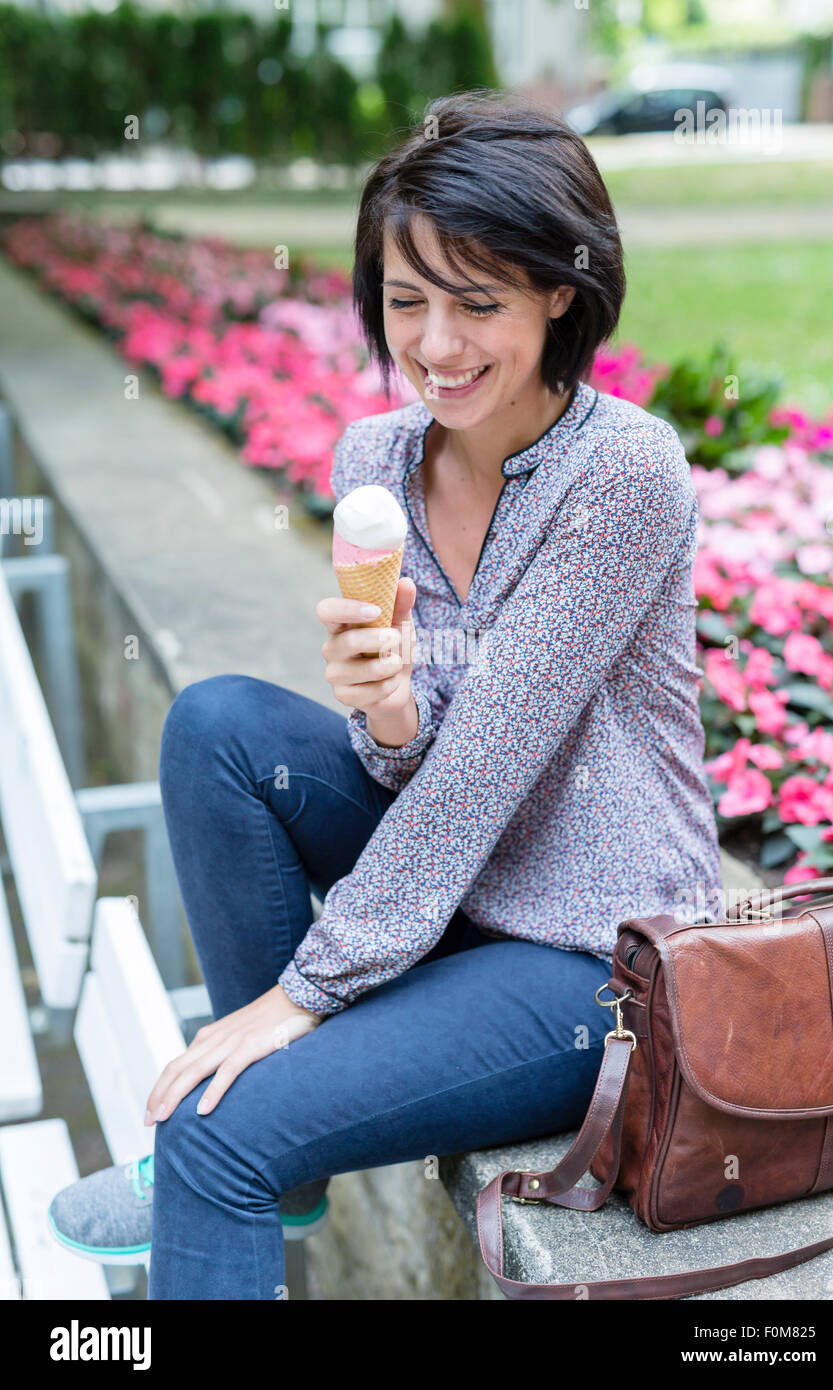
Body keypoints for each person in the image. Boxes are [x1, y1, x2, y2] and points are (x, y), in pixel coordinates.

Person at [47, 89, 724, 1299]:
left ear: (558, 291)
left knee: (216, 1125)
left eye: (479, 302)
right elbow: (424, 763)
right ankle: (276, 1140)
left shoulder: (620, 473)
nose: (436, 346)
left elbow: (483, 780)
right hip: (456, 888)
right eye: (406, 302)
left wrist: (302, 998)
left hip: (590, 948)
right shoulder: (376, 460)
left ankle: (244, 1134)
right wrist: (389, 712)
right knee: (217, 727)